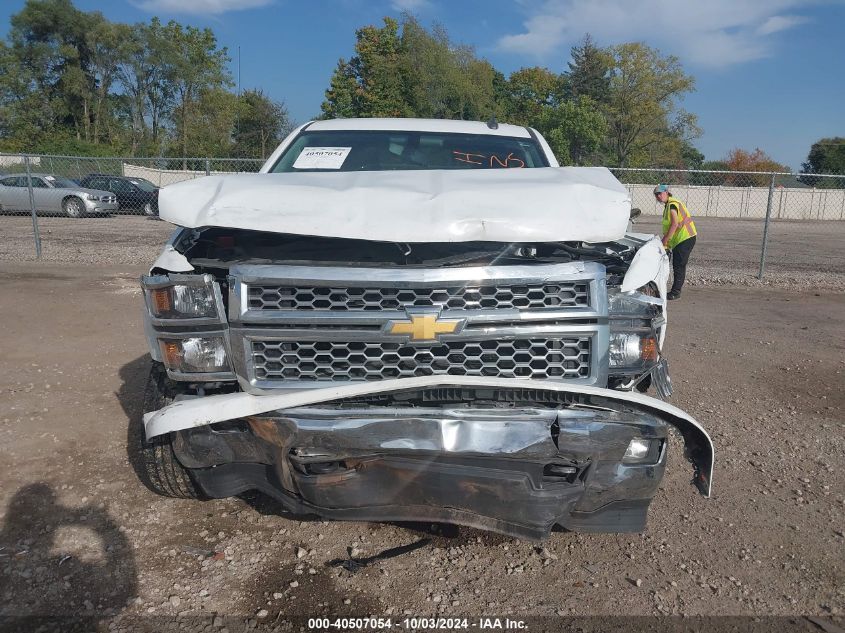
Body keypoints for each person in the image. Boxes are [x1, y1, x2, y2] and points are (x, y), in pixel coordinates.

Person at [654, 184, 697, 300]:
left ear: (666, 192)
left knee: (679, 265)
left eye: (660, 193)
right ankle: (675, 290)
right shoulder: (669, 205)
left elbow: (674, 224)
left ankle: (675, 292)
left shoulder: (672, 205)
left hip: (685, 238)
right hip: (681, 239)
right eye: (656, 194)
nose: (658, 196)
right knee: (677, 265)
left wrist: (664, 241)